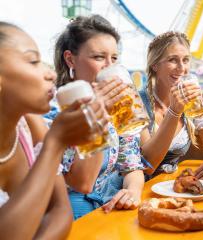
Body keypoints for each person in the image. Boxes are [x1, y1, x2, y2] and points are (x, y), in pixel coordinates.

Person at [0, 21, 107, 239]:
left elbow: (60, 212)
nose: (51, 74)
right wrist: (55, 144)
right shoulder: (49, 127)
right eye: (33, 61)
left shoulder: (29, 123)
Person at [45, 15, 146, 219]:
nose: (109, 66)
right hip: (68, 215)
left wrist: (132, 191)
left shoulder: (117, 105)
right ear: (70, 59)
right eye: (99, 57)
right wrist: (98, 114)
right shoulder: (52, 111)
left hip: (109, 207)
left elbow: (132, 166)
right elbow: (82, 183)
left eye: (114, 58)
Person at [138, 31, 203, 180]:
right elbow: (147, 165)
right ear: (155, 65)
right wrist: (174, 112)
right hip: (136, 188)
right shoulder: (138, 103)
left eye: (186, 60)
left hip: (171, 187)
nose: (182, 67)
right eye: (173, 60)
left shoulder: (192, 103)